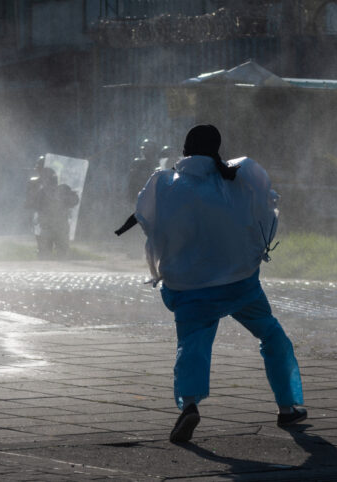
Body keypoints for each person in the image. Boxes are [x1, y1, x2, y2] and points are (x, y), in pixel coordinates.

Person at [133, 125, 306, 444]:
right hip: (239, 282)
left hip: (189, 286)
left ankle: (189, 405)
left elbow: (148, 224)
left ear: (184, 149)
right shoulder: (241, 176)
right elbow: (268, 208)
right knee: (270, 333)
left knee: (192, 345)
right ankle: (288, 405)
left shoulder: (164, 183)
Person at [28, 166, 79, 259]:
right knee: (45, 255)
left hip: (59, 228)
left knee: (62, 254)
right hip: (48, 228)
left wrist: (68, 196)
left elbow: (75, 201)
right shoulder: (42, 192)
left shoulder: (62, 189)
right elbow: (32, 205)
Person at [127, 139, 160, 204]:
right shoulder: (137, 163)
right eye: (144, 149)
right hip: (139, 193)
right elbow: (132, 181)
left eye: (148, 149)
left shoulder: (157, 163)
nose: (145, 151)